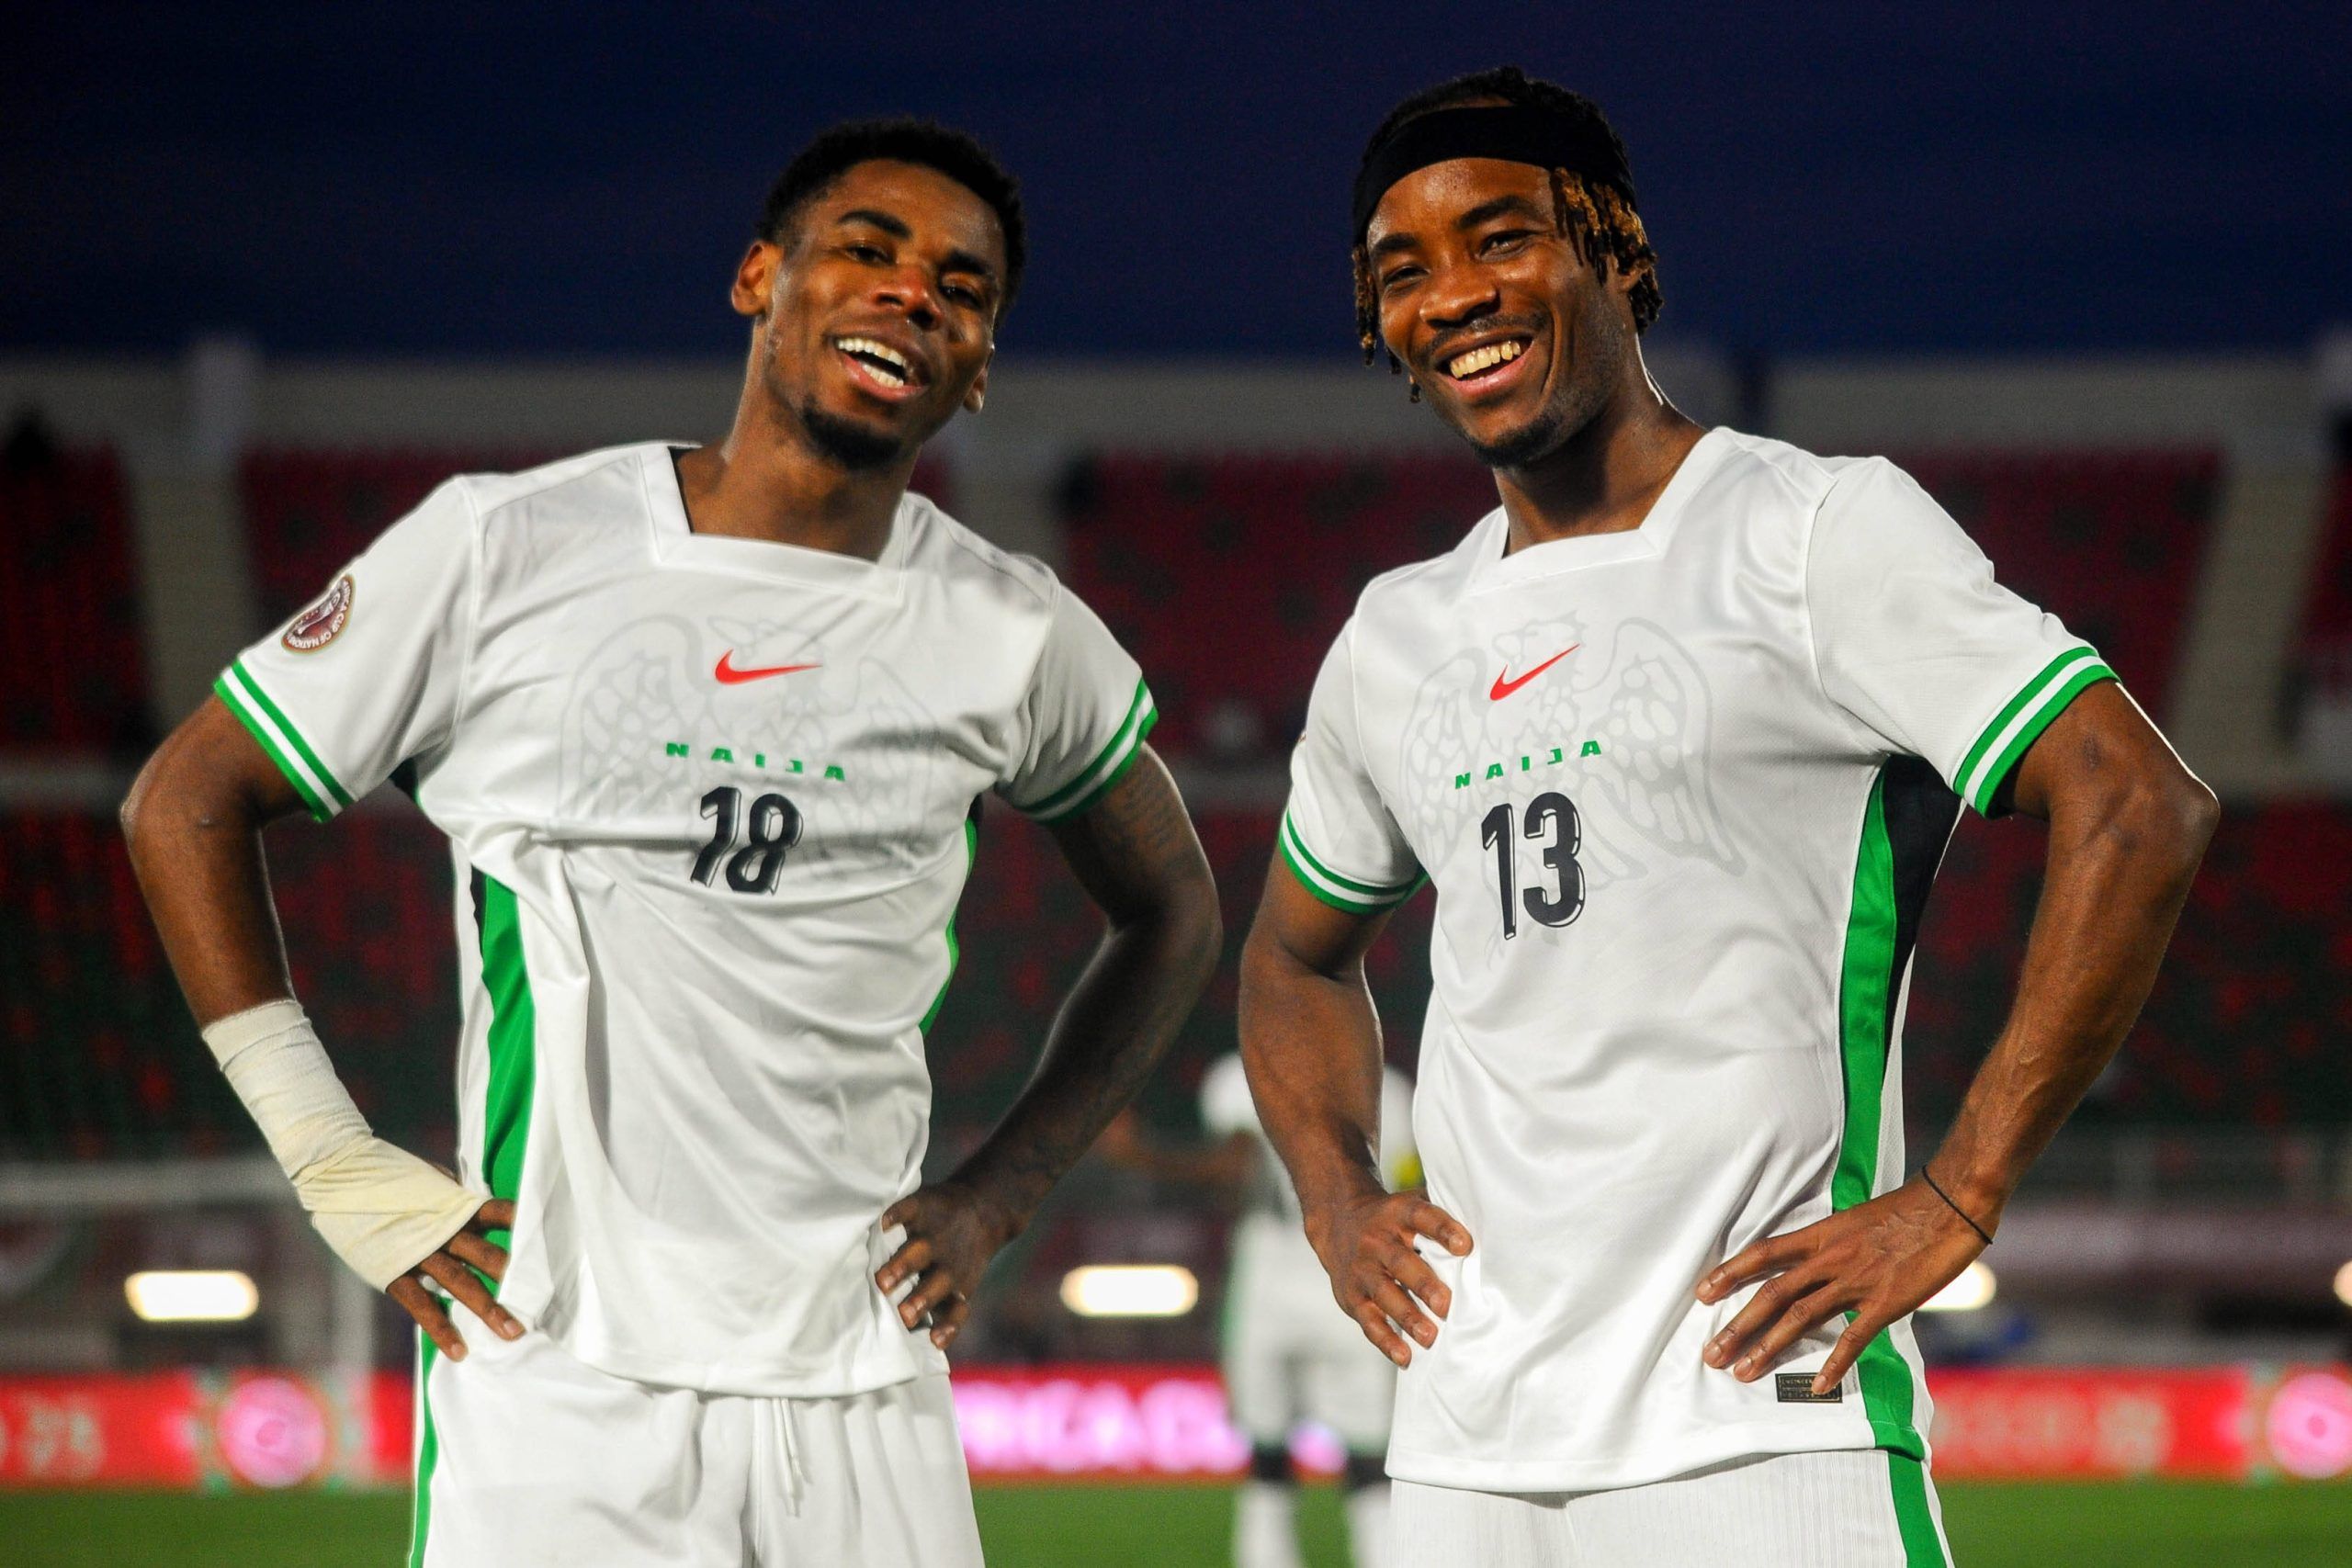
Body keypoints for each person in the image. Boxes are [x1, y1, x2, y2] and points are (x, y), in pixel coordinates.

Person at [120, 118, 1222, 1567]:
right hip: (563, 1370)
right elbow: (184, 800)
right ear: (762, 277)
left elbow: (1177, 910)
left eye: (961, 288)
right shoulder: (505, 549)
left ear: (980, 366)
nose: (912, 294)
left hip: (867, 1379)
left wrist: (1000, 1194)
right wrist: (330, 1154)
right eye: (867, 249)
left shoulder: (1011, 628)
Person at [1235, 66, 2217, 1567]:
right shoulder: (1397, 635)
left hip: (1763, 1425)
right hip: (1462, 1454)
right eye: (1404, 273)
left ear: (1615, 247)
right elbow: (1296, 957)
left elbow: (2136, 801)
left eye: (1501, 238)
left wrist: (1959, 1191)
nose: (1457, 295)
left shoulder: (1812, 532)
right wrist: (1335, 1202)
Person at [1101, 1055, 1417, 1568]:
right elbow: (1407, 1183)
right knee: (1369, 1464)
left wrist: (1143, 1157)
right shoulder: (1395, 1087)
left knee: (1267, 1459)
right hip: (1358, 1279)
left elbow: (1238, 1163)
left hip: (1270, 1278)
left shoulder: (1244, 1074)